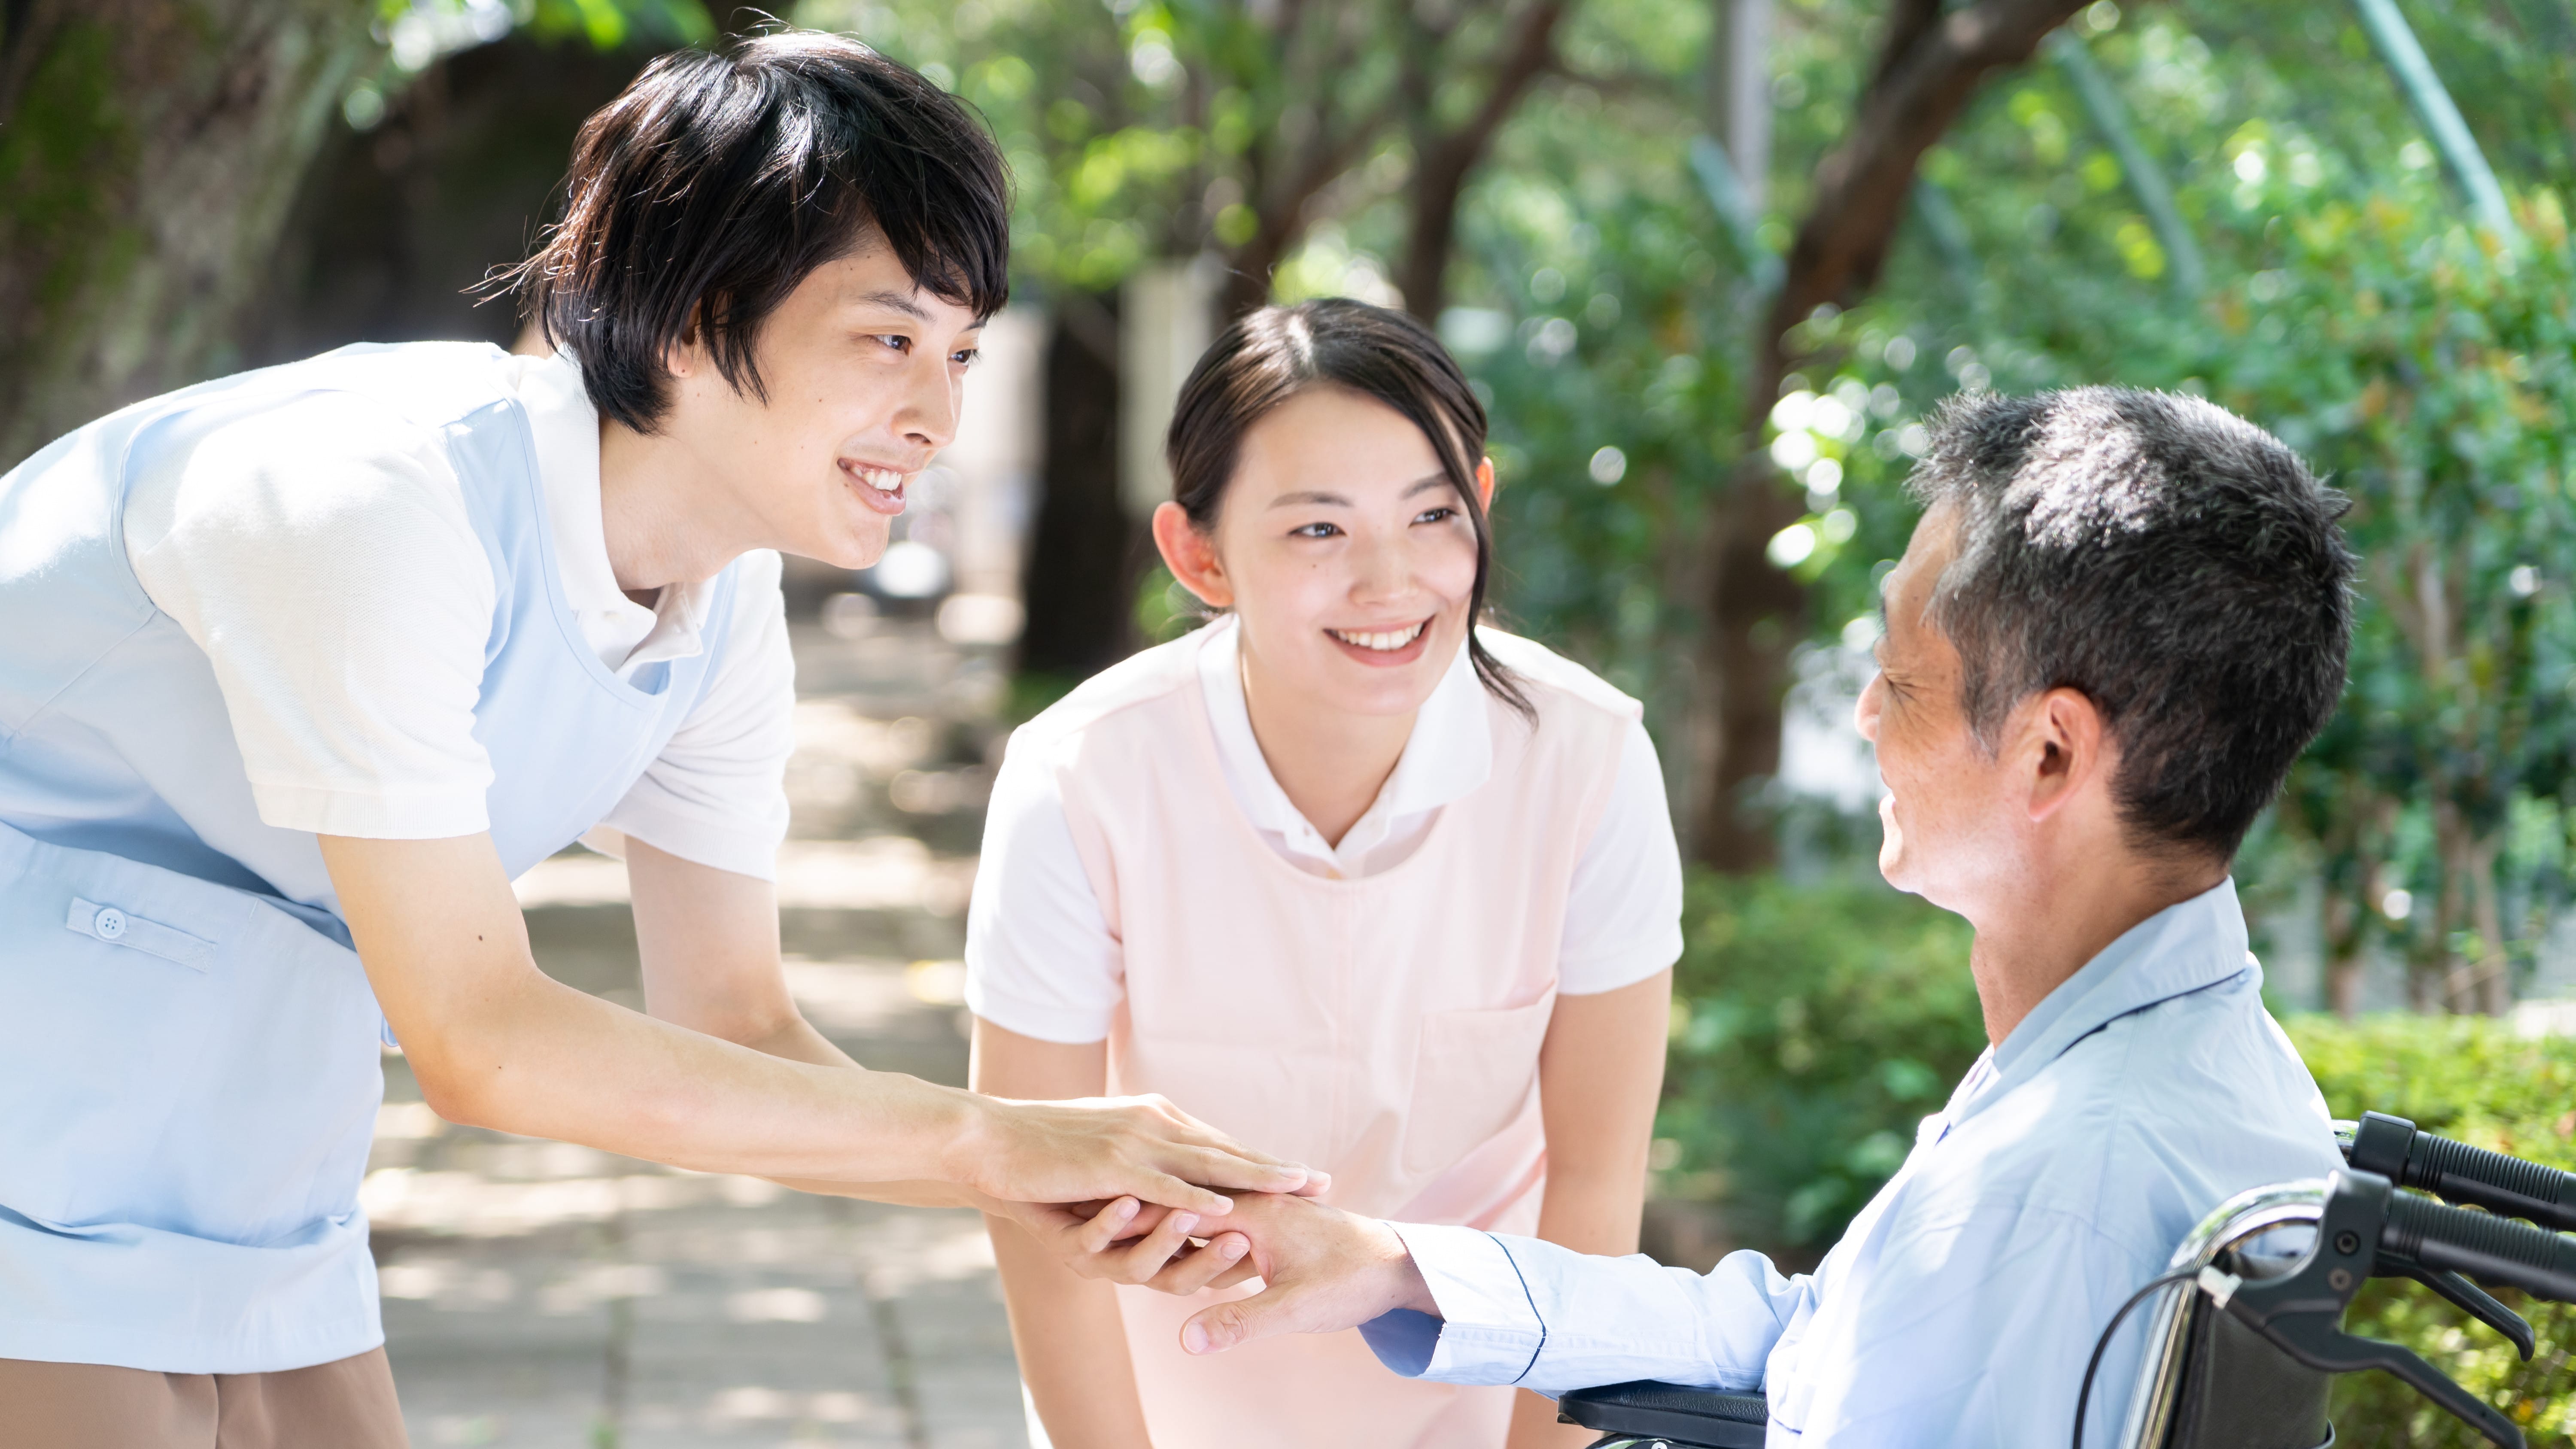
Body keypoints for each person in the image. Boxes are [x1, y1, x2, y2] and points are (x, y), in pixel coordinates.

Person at [0, 33, 1316, 1448]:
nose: (936, 417)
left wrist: (1060, 1187)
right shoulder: (373, 497)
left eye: (961, 354)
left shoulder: (718, 599)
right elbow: (483, 1042)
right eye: (888, 340)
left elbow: (734, 1017)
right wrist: (996, 1139)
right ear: (694, 318)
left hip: (244, 1168)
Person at [1066, 386, 2360, 1444]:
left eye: (1901, 677)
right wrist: (1396, 1267)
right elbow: (1814, 1340)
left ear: (2048, 759)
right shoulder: (2170, 1075)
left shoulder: (2067, 1182)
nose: (1865, 717)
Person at [963, 298, 1683, 1449]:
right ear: (1199, 554)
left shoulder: (1587, 760)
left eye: (1433, 516)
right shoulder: (1082, 776)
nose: (1391, 582)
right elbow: (1029, 1192)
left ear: (1481, 510)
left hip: (1480, 1405)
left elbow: (1595, 1187)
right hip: (1165, 1405)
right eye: (1317, 531)